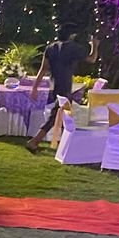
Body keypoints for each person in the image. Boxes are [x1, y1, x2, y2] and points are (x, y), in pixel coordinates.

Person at [27, 23, 96, 151]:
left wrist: (35, 88)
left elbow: (43, 69)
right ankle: (34, 141)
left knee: (64, 115)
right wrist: (94, 45)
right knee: (58, 115)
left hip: (55, 84)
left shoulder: (50, 48)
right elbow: (92, 59)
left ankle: (66, 143)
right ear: (71, 35)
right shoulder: (73, 48)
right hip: (65, 85)